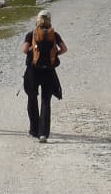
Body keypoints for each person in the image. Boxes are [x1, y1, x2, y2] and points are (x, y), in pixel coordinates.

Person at [22, 9, 67, 143]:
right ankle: (43, 134)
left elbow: (24, 50)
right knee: (45, 101)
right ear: (49, 21)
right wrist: (53, 55)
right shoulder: (55, 35)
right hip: (49, 71)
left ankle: (34, 130)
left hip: (33, 71)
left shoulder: (31, 34)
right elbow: (64, 49)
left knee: (32, 98)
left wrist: (33, 51)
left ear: (38, 20)